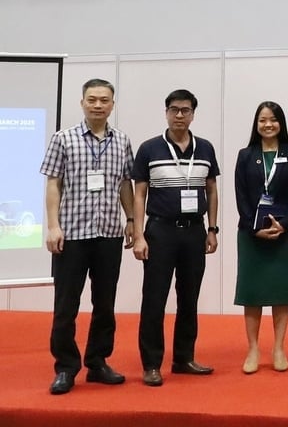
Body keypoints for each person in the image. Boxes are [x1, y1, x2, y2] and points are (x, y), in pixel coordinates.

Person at [42, 79, 135, 395]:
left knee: (105, 303)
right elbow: (53, 184)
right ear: (82, 102)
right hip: (72, 234)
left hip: (108, 233)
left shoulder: (122, 141)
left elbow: (125, 184)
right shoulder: (63, 139)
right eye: (92, 99)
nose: (98, 105)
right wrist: (53, 226)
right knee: (66, 305)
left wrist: (132, 219)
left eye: (104, 100)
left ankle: (97, 363)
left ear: (112, 104)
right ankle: (66, 368)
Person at [131, 89, 220, 386]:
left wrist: (212, 228)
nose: (179, 115)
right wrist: (139, 234)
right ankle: (152, 364)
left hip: (194, 231)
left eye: (185, 110)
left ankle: (184, 358)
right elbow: (140, 192)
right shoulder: (149, 149)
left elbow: (211, 189)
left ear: (194, 113)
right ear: (166, 112)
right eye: (174, 110)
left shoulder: (205, 148)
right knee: (154, 299)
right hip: (160, 231)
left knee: (189, 297)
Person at [234, 101, 288, 374]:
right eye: (263, 120)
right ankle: (253, 348)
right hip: (252, 234)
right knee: (251, 293)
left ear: (281, 123)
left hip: (284, 234)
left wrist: (285, 225)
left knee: (280, 291)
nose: (268, 124)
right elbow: (241, 195)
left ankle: (278, 347)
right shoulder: (245, 155)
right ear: (256, 123)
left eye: (273, 120)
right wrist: (255, 228)